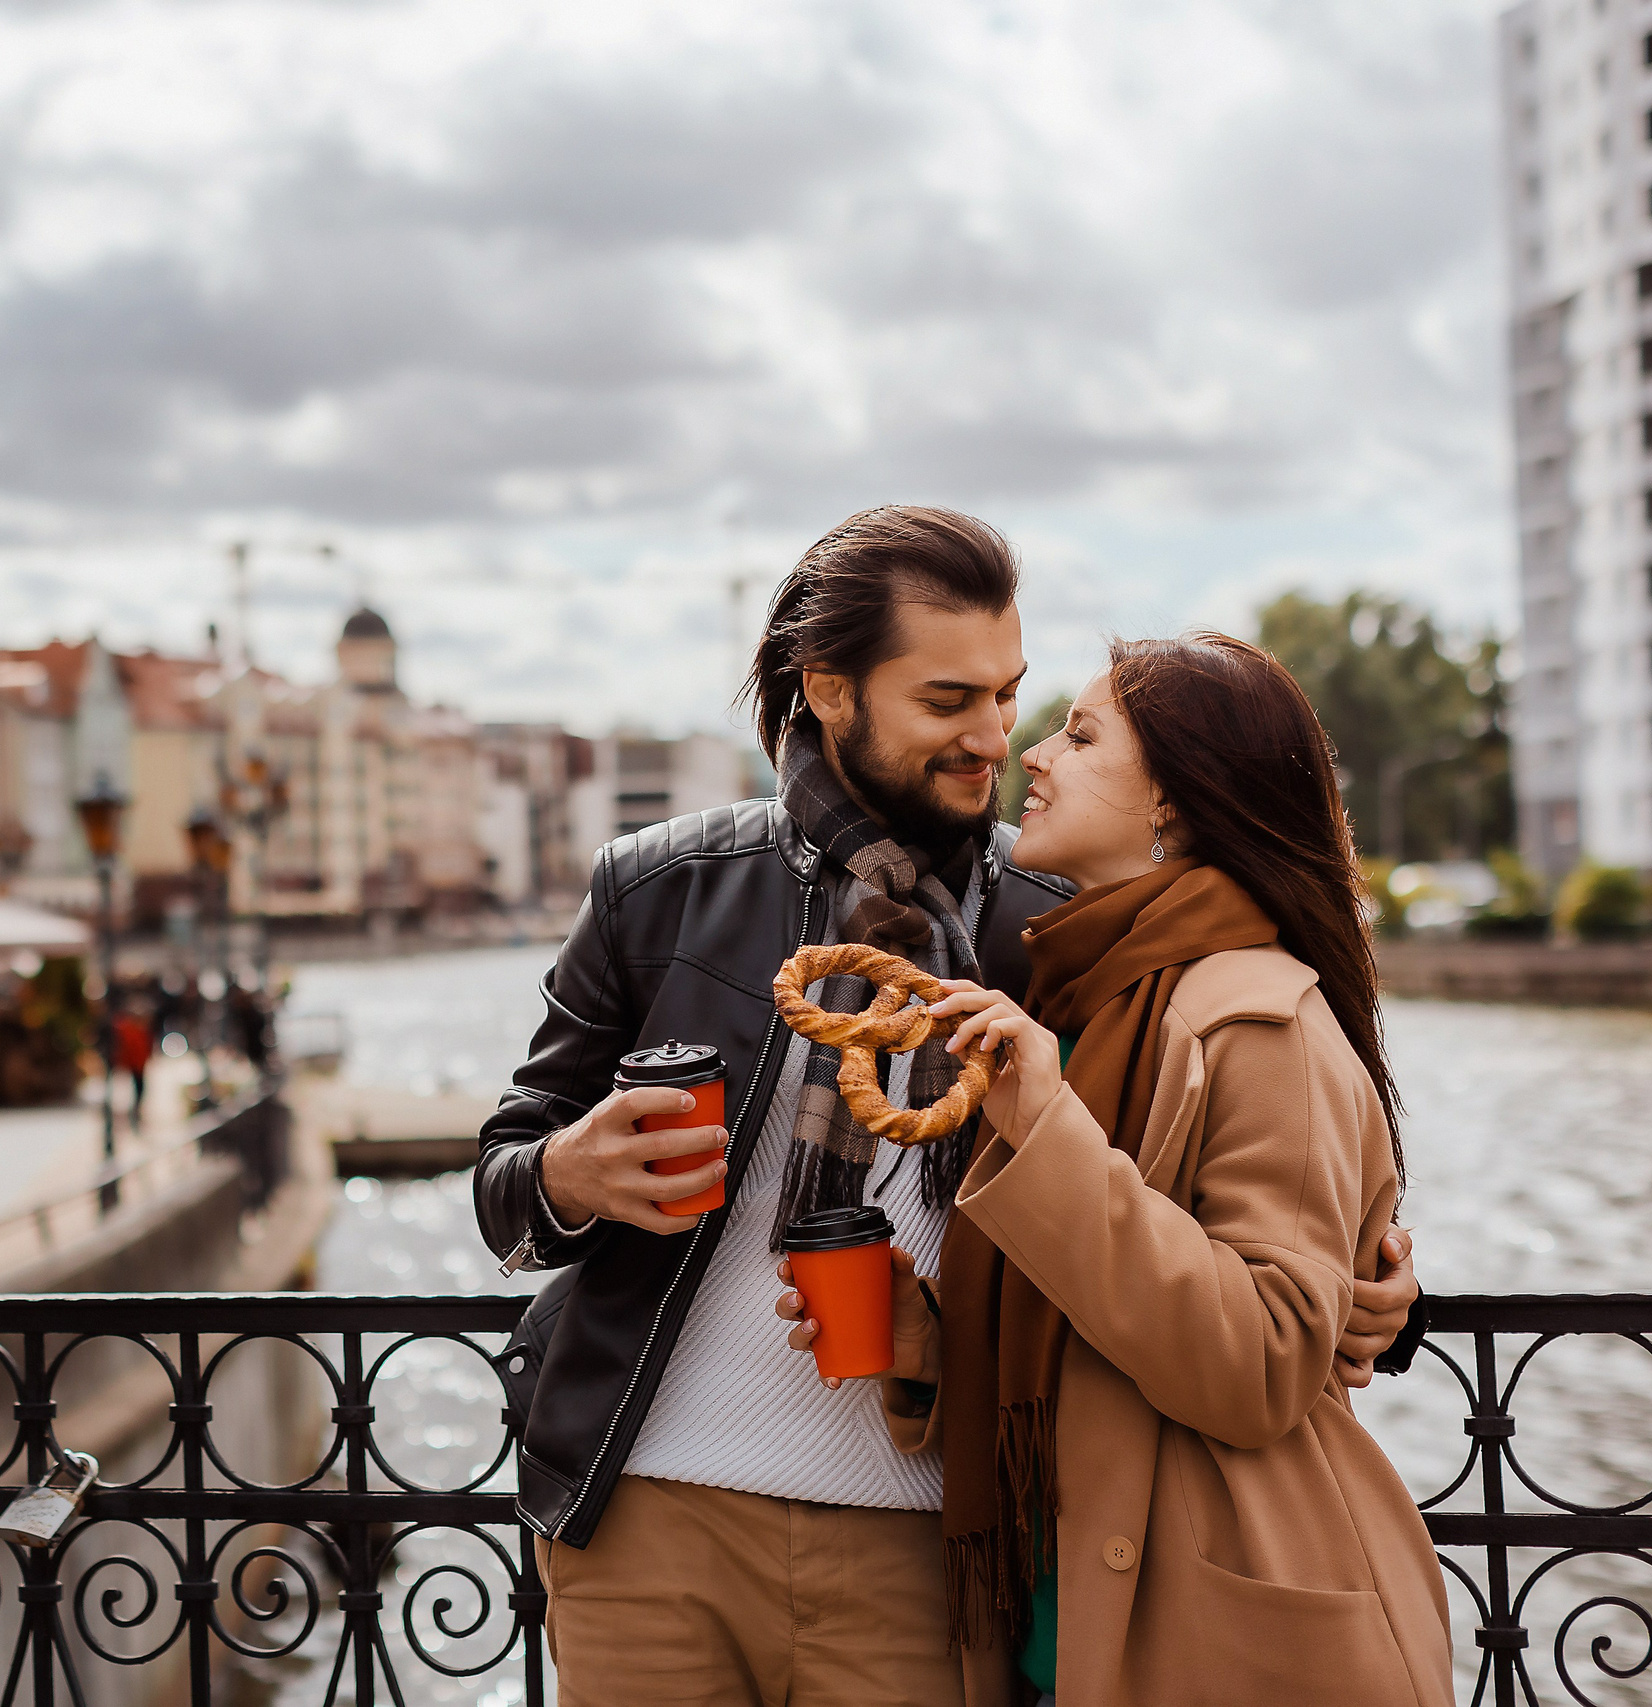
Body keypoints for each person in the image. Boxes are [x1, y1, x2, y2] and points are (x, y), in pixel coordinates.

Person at [473, 507, 1420, 1707]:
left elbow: (1212, 1181)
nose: (993, 739)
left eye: (1009, 696)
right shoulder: (658, 891)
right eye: (946, 702)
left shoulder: (1061, 916)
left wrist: (1383, 1290)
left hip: (933, 1545)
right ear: (828, 689)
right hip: (644, 1519)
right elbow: (501, 1185)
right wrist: (563, 1177)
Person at [779, 634, 1452, 1706]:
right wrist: (936, 1346)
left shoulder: (1255, 1018)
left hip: (1222, 1646)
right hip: (1066, 1637)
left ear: (1174, 806)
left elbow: (1263, 1366)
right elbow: (1090, 1339)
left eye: (1080, 735)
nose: (1028, 753)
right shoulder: (1081, 997)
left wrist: (1041, 1125)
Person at [111, 1001, 153, 1131]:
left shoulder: (140, 1030)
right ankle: (133, 1112)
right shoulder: (129, 1030)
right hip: (133, 1065)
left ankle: (135, 1111)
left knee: (139, 1090)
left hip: (138, 1065)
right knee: (135, 1089)